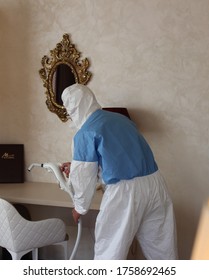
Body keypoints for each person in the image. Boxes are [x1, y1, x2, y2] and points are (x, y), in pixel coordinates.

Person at [60, 83, 178, 260]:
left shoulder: (85, 133)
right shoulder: (121, 119)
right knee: (162, 251)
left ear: (71, 109)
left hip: (125, 194)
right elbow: (120, 157)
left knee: (109, 253)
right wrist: (78, 166)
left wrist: (79, 208)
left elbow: (83, 181)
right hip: (155, 184)